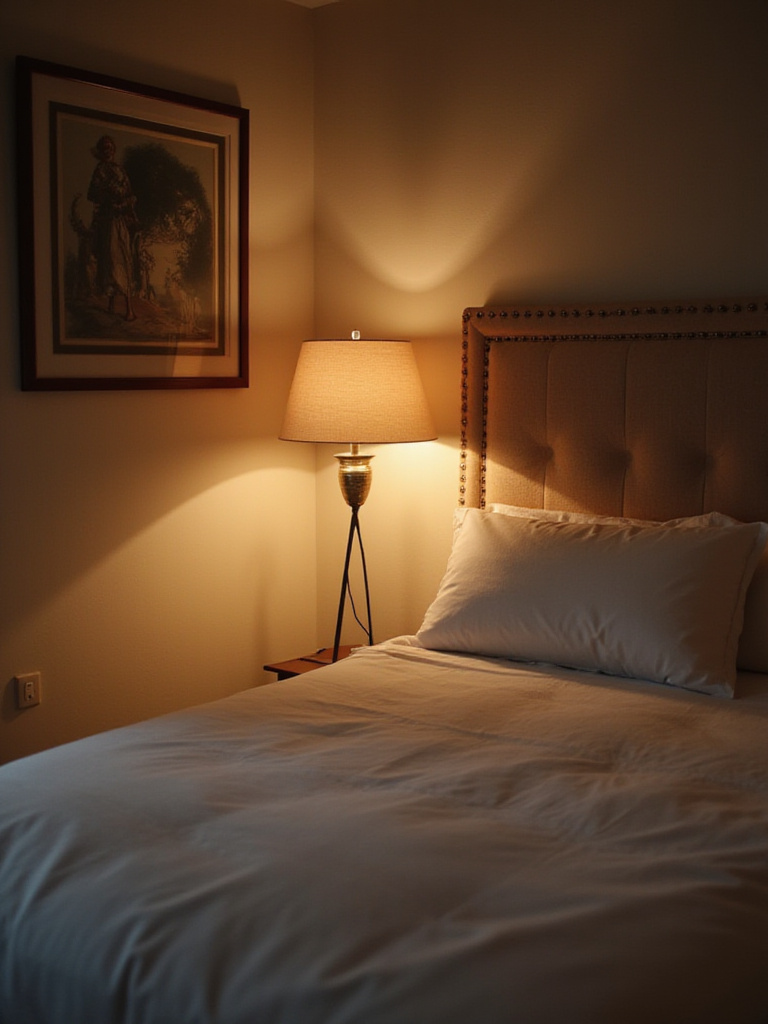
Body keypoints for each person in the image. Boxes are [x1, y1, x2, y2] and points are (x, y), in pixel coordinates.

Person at [87, 135, 138, 321]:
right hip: (108, 221)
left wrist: (127, 203)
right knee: (110, 259)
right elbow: (92, 194)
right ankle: (111, 305)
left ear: (113, 150)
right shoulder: (100, 171)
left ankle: (128, 308)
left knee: (124, 259)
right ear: (101, 152)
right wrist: (108, 196)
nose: (108, 151)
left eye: (110, 148)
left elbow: (130, 194)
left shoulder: (120, 171)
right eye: (104, 148)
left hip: (120, 221)